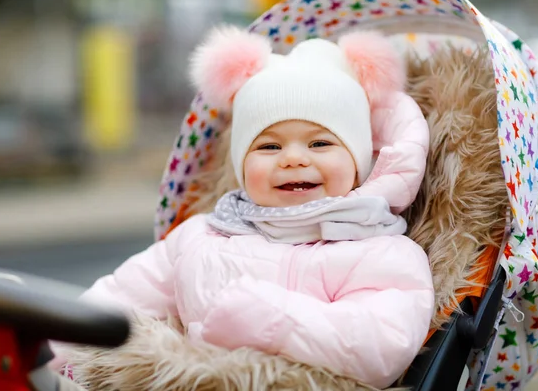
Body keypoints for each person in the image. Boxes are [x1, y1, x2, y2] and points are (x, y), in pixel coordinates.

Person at [51, 26, 434, 389]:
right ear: (241, 165)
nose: (294, 159)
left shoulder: (380, 252)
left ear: (359, 161)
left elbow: (381, 343)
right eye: (269, 146)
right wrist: (43, 343)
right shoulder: (201, 236)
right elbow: (121, 297)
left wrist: (271, 320)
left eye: (319, 144)